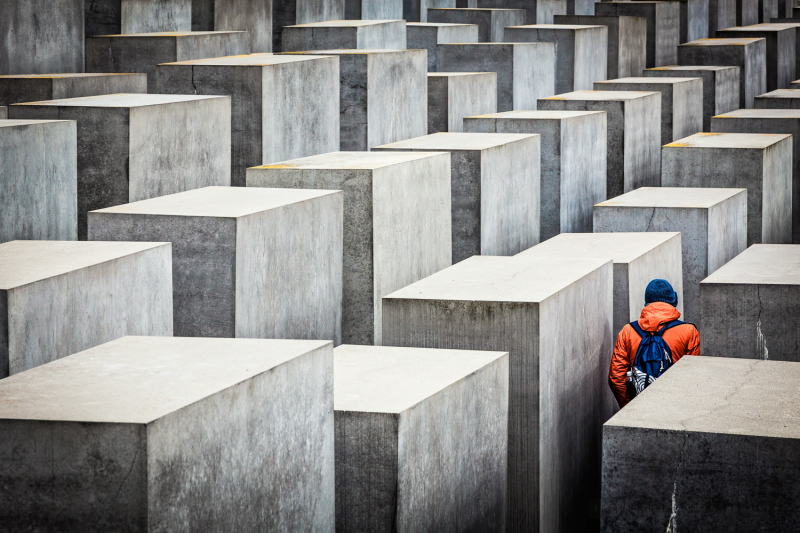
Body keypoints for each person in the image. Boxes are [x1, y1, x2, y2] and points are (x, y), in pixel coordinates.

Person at [609, 279, 699, 408]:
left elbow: (616, 377)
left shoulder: (628, 331)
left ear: (647, 302)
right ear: (673, 301)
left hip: (640, 405)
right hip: (675, 405)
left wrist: (628, 407)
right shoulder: (689, 331)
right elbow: (692, 376)